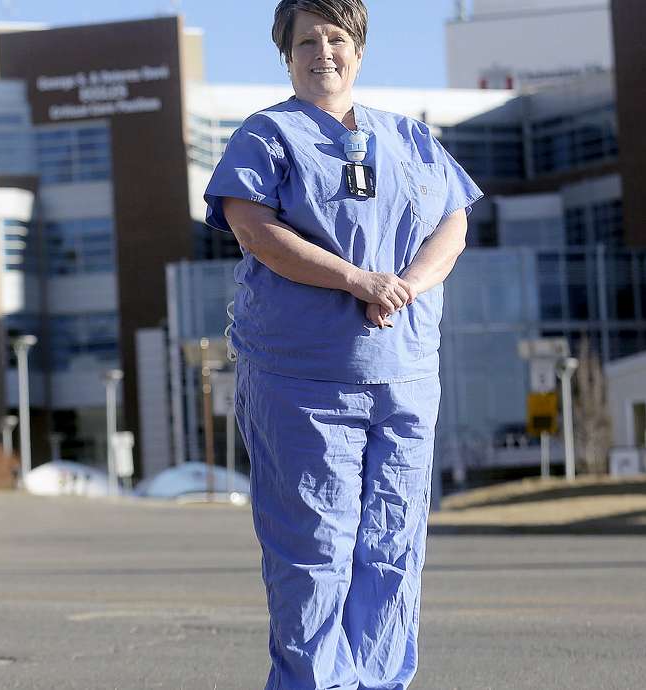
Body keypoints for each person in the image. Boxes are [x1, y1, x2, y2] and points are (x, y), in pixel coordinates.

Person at [203, 1, 481, 688]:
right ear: (285, 54)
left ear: (358, 48)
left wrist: (406, 285)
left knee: (392, 546)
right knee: (314, 548)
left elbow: (453, 221)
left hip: (405, 372)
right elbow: (254, 229)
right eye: (306, 41)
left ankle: (381, 682)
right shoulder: (267, 135)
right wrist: (358, 279)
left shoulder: (410, 139)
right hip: (304, 378)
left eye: (336, 37)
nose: (322, 52)